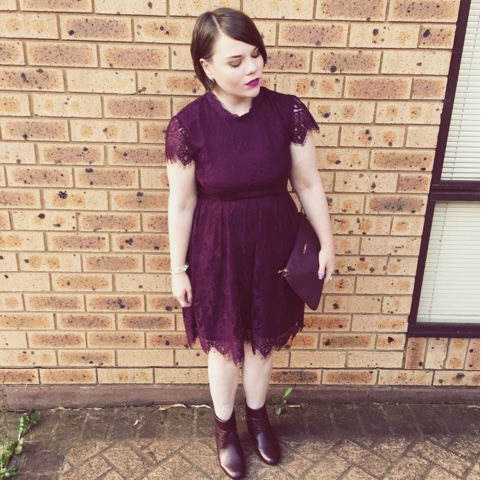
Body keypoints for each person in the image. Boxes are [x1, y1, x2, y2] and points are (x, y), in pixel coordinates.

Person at [165, 8, 335, 479]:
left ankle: (259, 420)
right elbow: (181, 204)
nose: (252, 68)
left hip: (274, 246)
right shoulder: (188, 126)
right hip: (216, 250)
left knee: (261, 343)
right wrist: (177, 269)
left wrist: (327, 242)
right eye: (236, 61)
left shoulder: (287, 112)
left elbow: (309, 184)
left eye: (256, 55)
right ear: (207, 67)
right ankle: (225, 430)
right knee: (224, 347)